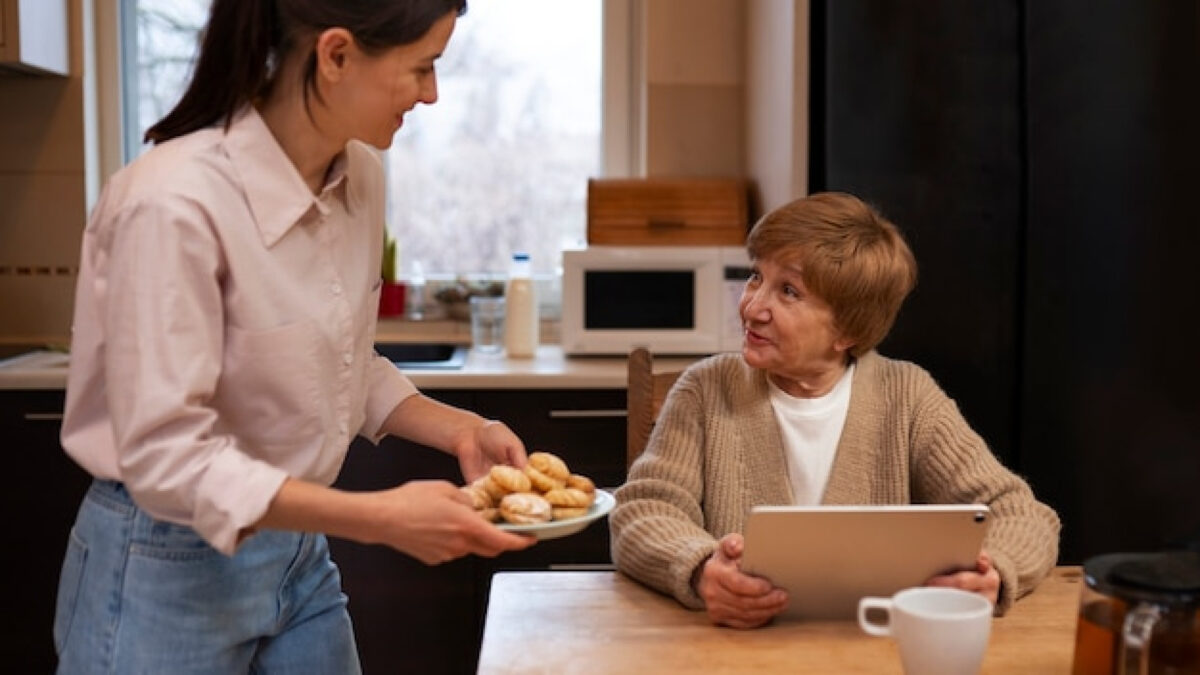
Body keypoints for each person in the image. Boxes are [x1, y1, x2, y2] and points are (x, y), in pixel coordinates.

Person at [53, 1, 534, 672]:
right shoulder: (170, 203)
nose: (432, 93)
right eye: (422, 67)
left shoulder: (359, 175)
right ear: (335, 55)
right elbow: (169, 455)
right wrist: (379, 518)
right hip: (165, 560)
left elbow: (335, 358)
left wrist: (460, 429)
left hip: (296, 556)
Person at [610, 192, 1061, 629]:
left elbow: (1021, 513)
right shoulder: (705, 390)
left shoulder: (907, 395)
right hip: (733, 655)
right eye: (755, 277)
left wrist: (994, 573)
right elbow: (644, 509)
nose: (751, 307)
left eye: (788, 291)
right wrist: (701, 568)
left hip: (870, 652)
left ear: (848, 329)